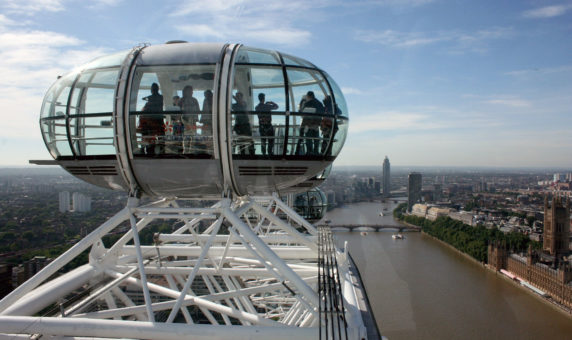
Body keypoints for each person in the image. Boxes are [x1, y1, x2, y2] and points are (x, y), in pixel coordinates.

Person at [137, 82, 164, 155]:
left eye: (153, 89)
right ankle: (150, 147)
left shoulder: (158, 98)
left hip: (154, 122)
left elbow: (147, 99)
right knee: (157, 136)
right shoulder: (159, 98)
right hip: (156, 121)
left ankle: (144, 148)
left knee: (149, 133)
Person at [297, 91, 323, 155]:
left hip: (308, 124)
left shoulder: (307, 103)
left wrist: (302, 102)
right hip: (316, 125)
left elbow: (301, 112)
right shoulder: (319, 103)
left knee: (309, 140)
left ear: (308, 96)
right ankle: (316, 152)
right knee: (316, 139)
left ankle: (309, 152)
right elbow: (322, 112)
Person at [179, 85, 200, 153]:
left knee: (193, 138)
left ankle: (192, 152)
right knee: (186, 138)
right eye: (190, 91)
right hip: (185, 121)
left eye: (192, 91)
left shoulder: (194, 100)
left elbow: (198, 110)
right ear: (185, 91)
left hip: (192, 121)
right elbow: (178, 110)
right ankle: (185, 152)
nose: (191, 92)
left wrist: (195, 118)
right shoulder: (182, 100)